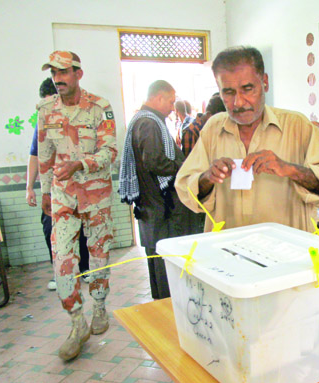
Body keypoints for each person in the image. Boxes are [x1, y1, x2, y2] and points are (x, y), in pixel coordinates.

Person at [175, 46, 319, 232]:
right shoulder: (213, 129)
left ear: (264, 82)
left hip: (289, 252)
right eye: (229, 92)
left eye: (248, 89)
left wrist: (289, 169)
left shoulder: (298, 126)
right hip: (228, 252)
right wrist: (207, 177)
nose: (238, 102)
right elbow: (185, 188)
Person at [37, 51, 117, 361]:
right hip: (63, 198)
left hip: (95, 195)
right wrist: (44, 191)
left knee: (99, 254)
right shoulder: (45, 110)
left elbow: (109, 151)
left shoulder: (99, 107)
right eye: (54, 72)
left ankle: (98, 305)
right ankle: (76, 323)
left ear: (78, 74)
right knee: (62, 262)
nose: (58, 78)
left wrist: (80, 165)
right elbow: (45, 154)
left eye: (64, 71)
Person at [119, 80, 204, 300]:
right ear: (158, 98)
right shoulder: (148, 123)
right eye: (170, 100)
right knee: (166, 262)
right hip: (162, 208)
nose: (172, 106)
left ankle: (162, 306)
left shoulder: (144, 120)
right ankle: (167, 310)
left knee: (158, 260)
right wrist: (183, 168)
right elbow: (155, 162)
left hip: (153, 207)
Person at [27, 79, 90, 291]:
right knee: (50, 229)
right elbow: (35, 155)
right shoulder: (42, 122)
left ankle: (85, 269)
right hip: (53, 189)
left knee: (80, 228)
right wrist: (29, 188)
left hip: (77, 186)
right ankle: (60, 271)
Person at [180, 92, 225, 157]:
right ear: (209, 116)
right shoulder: (191, 132)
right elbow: (191, 163)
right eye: (219, 120)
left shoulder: (211, 129)